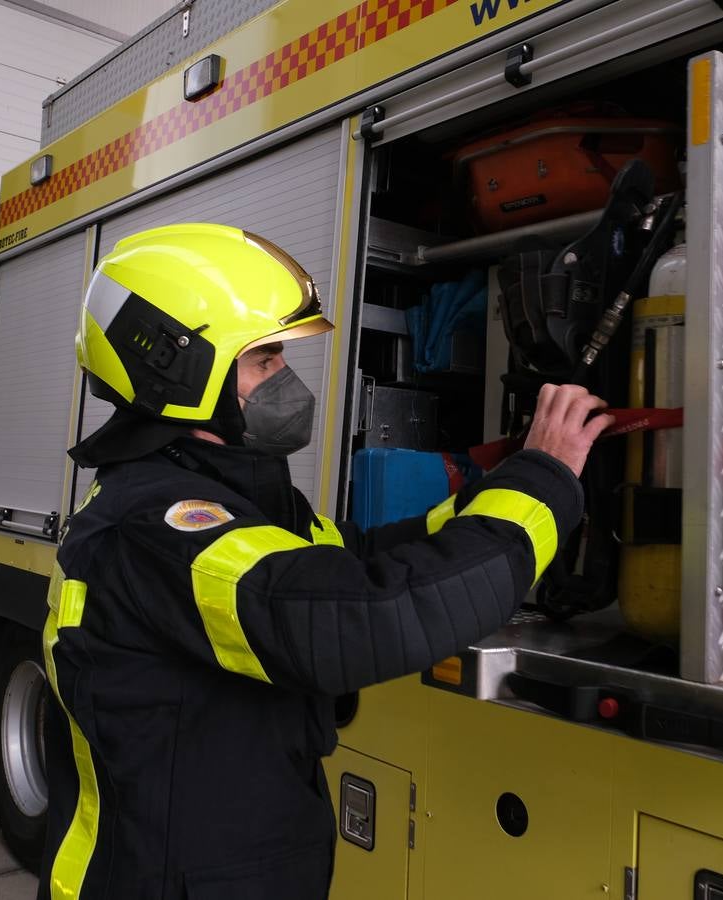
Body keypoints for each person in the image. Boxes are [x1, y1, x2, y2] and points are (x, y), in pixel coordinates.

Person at [40, 223, 612, 899]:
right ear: (181, 367)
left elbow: (359, 559)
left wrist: (500, 490)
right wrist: (541, 485)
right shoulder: (158, 525)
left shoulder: (230, 496)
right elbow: (364, 618)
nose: (285, 379)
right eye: (264, 359)